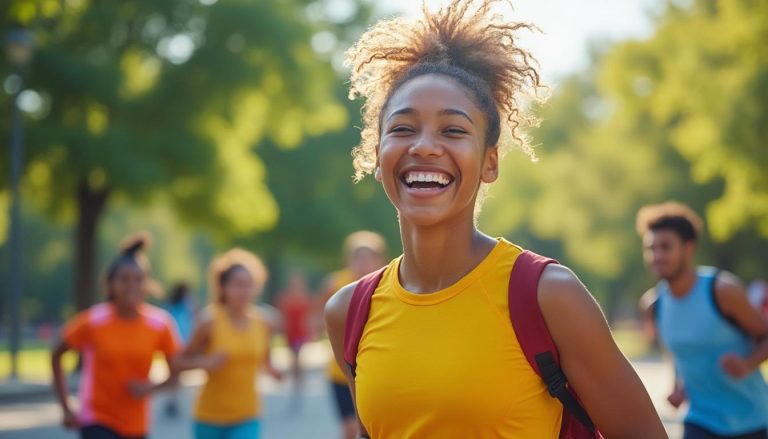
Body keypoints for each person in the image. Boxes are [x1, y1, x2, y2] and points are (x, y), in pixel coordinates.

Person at [324, 1, 666, 437]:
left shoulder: (547, 295)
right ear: (377, 157)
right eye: (403, 128)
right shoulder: (350, 312)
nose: (425, 146)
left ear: (489, 163)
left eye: (453, 130)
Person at [638, 202, 768, 439]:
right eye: (651, 248)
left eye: (665, 247)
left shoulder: (722, 291)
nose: (656, 256)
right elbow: (676, 354)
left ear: (688, 248)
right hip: (700, 421)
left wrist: (747, 364)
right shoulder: (653, 305)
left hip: (751, 421)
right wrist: (678, 386)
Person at [51, 232, 181, 439]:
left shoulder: (160, 324)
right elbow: (57, 354)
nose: (132, 286)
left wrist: (150, 388)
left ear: (146, 283)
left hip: (136, 423)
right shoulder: (93, 320)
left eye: (139, 279)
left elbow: (176, 374)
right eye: (124, 279)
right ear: (110, 284)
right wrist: (66, 406)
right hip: (96, 418)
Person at [173, 248, 281, 439]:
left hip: (248, 415)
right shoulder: (209, 321)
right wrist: (205, 363)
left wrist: (275, 372)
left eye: (249, 285)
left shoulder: (262, 322)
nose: (244, 291)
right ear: (223, 288)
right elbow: (177, 362)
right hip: (209, 418)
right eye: (238, 285)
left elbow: (266, 360)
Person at [319, 231, 388, 439]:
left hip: (373, 372)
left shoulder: (385, 284)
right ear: (349, 259)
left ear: (379, 259)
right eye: (358, 257)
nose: (363, 262)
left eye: (369, 257)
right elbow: (322, 313)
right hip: (340, 373)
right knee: (351, 429)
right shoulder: (336, 283)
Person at [275, 272, 313, 412]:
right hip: (290, 334)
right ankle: (296, 385)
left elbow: (307, 318)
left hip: (300, 335)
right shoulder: (286, 298)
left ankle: (298, 387)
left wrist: (309, 333)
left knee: (297, 361)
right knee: (294, 361)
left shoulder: (304, 298)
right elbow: (283, 317)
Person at [163, 282, 196, 417]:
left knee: (174, 372)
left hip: (172, 339)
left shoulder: (171, 303)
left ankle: (172, 399)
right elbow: (194, 315)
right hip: (182, 340)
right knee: (177, 373)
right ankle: (173, 399)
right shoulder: (187, 302)